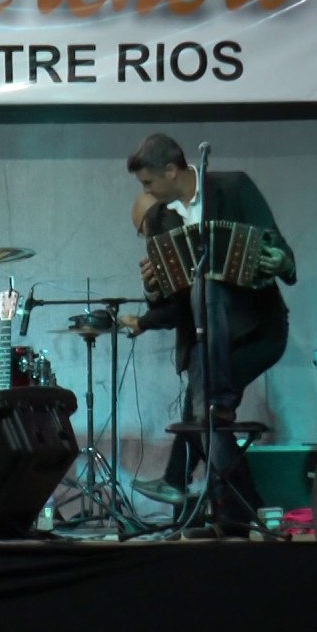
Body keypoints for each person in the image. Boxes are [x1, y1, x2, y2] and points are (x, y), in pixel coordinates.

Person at [119, 133, 295, 533]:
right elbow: (173, 301)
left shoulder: (234, 187)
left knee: (204, 406)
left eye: (148, 182)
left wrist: (278, 261)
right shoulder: (160, 219)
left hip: (257, 331)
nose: (146, 192)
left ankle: (184, 485)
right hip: (204, 339)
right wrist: (152, 288)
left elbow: (278, 247)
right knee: (208, 413)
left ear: (171, 170)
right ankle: (239, 510)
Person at [126, 190, 204, 507]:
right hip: (203, 347)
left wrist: (142, 322)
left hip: (210, 346)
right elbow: (171, 303)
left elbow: (178, 310)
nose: (147, 240)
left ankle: (243, 503)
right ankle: (175, 482)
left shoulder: (179, 245)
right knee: (197, 421)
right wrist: (151, 289)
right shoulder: (174, 247)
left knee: (203, 424)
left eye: (145, 230)